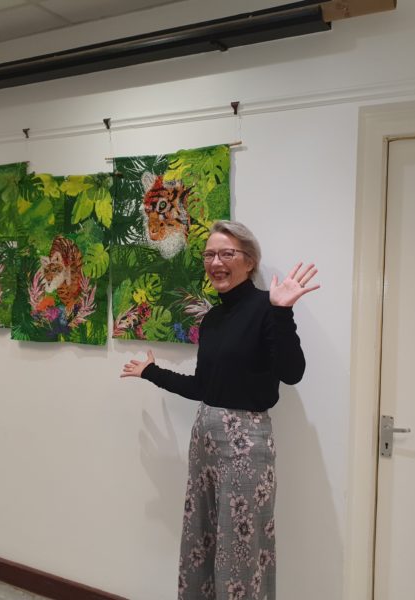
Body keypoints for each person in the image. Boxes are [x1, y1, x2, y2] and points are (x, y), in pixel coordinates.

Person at [121, 220, 319, 600]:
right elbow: (203, 386)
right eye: (210, 254)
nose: (216, 262)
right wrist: (151, 372)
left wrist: (283, 313)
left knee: (241, 547)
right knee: (204, 538)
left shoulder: (267, 308)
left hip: (247, 445)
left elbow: (293, 374)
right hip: (207, 439)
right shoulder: (212, 319)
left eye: (227, 253)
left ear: (249, 261)